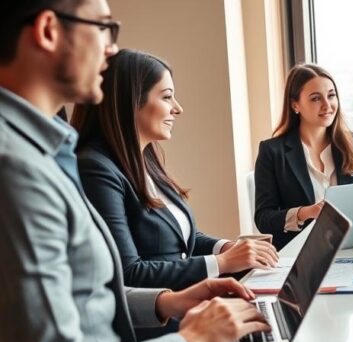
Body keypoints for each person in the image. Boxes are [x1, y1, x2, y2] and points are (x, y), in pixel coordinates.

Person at [0, 0, 270, 342]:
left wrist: (169, 302)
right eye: (102, 26)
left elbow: (85, 299)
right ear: (48, 30)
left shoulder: (47, 148)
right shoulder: (15, 170)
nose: (112, 46)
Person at [72, 49, 279, 291]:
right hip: (164, 310)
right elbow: (128, 273)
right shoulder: (95, 169)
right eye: (167, 97)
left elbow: (180, 240)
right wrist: (222, 262)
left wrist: (225, 248)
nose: (178, 108)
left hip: (189, 300)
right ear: (130, 102)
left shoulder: (145, 159)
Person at [254, 63, 353, 249]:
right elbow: (263, 218)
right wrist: (306, 213)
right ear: (295, 105)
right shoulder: (272, 152)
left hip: (352, 246)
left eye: (331, 95)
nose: (327, 105)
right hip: (300, 252)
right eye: (315, 98)